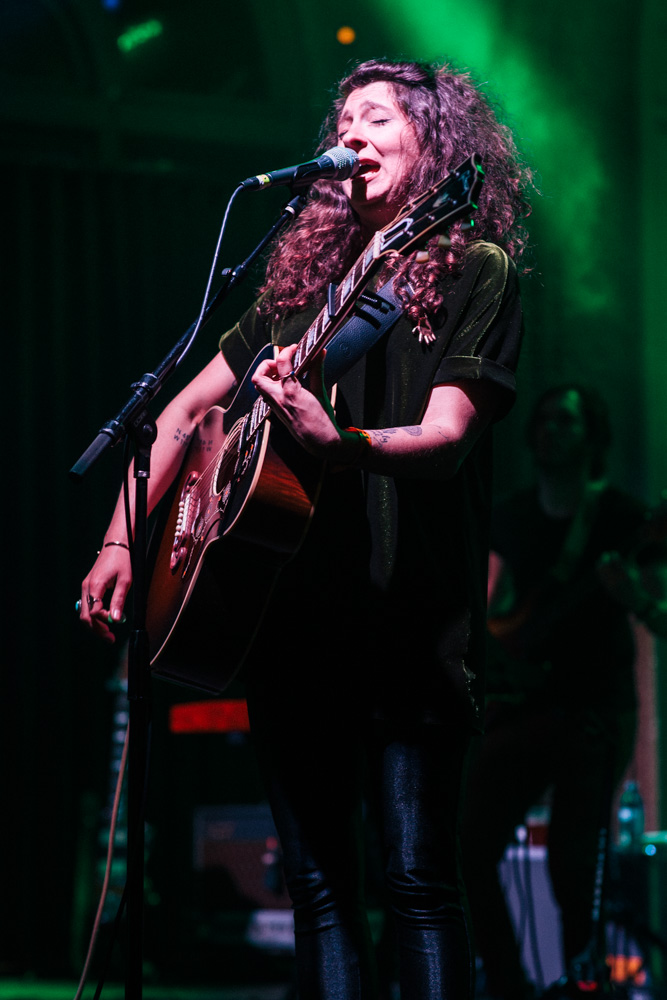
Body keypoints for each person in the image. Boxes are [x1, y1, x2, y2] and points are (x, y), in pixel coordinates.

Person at [79, 58, 534, 999]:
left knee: (415, 885)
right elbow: (180, 416)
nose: (354, 134)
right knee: (319, 890)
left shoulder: (475, 271)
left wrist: (341, 442)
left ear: (431, 142)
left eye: (378, 118)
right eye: (345, 120)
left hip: (410, 628)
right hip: (290, 627)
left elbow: (448, 437)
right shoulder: (294, 297)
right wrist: (120, 541)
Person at [462, 384, 667, 1000]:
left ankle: (584, 984)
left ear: (592, 437)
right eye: (545, 421)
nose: (552, 431)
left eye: (567, 422)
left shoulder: (624, 520)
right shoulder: (513, 517)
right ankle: (508, 984)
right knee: (466, 847)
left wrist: (632, 595)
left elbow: (661, 616)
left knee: (573, 866)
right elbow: (489, 615)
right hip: (524, 707)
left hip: (593, 712)